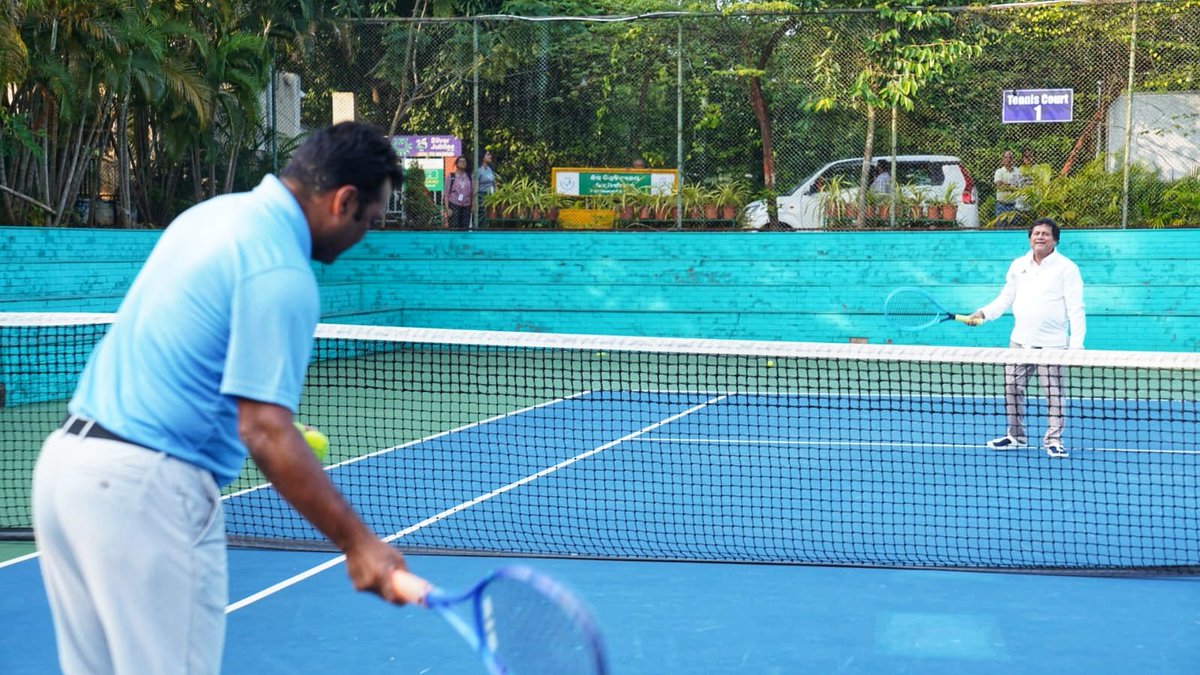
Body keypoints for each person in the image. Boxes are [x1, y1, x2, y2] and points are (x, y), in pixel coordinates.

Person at [32, 122, 429, 675]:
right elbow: (265, 430)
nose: (368, 234)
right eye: (372, 219)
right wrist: (361, 546)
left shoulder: (213, 216)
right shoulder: (282, 270)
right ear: (344, 201)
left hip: (66, 474)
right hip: (144, 494)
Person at [969, 218, 1086, 459]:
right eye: (1036, 233)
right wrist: (983, 313)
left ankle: (1053, 439)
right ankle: (1016, 436)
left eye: (1045, 234)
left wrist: (1076, 345)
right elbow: (1005, 298)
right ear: (1029, 238)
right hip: (1019, 342)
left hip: (1052, 345)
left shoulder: (1067, 268)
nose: (1040, 237)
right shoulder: (1018, 265)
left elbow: (1076, 308)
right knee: (1011, 387)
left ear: (1055, 239)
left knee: (1054, 393)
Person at [445, 155, 473, 230]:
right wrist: (447, 209)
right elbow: (446, 194)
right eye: (461, 161)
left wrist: (472, 205)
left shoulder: (470, 177)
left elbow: (472, 192)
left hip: (466, 206)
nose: (463, 163)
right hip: (454, 204)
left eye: (464, 161)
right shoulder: (451, 176)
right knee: (454, 226)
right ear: (456, 164)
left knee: (465, 227)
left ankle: (463, 241)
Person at [993, 149, 1020, 217]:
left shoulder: (1018, 171)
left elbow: (1019, 186)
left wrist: (1005, 184)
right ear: (1003, 159)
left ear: (1013, 159)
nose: (1008, 159)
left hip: (1014, 205)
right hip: (1001, 205)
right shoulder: (999, 171)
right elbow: (999, 185)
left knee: (1013, 226)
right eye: (1006, 157)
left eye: (1010, 157)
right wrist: (1011, 186)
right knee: (1000, 226)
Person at [474, 150, 498, 226]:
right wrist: (474, 200)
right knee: (482, 216)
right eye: (488, 155)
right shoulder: (478, 171)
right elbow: (475, 186)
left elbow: (494, 182)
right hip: (482, 196)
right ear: (483, 157)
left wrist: (497, 194)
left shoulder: (489, 169)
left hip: (491, 195)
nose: (490, 156)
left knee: (491, 216)